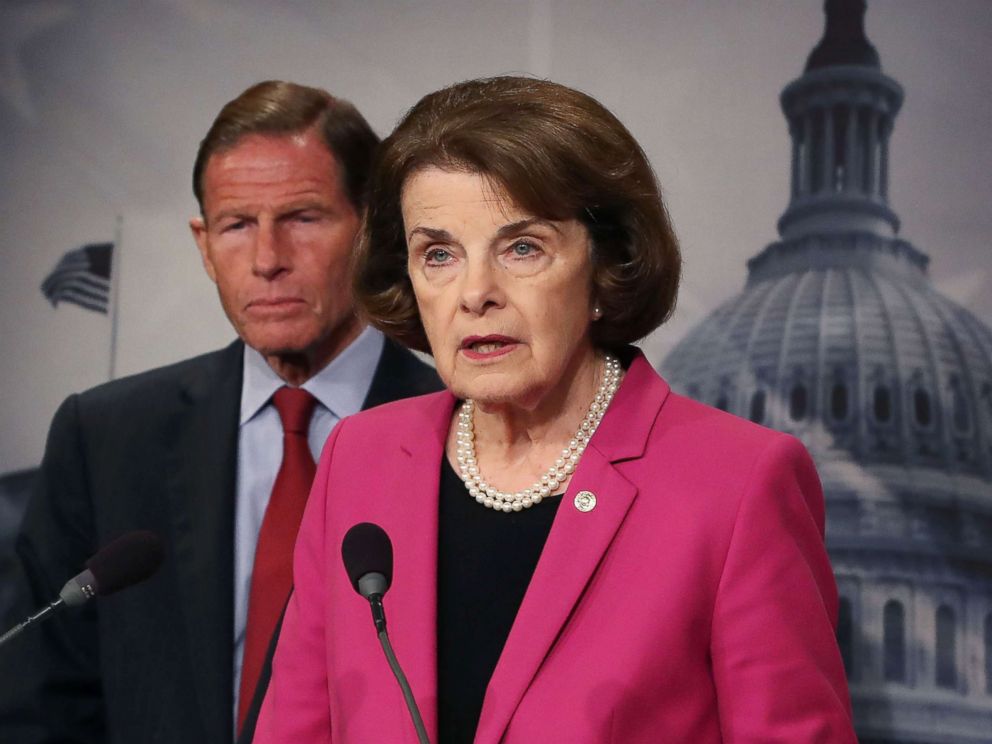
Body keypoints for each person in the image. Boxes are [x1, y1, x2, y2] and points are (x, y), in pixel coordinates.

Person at [254, 76, 856, 743]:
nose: (476, 292)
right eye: (440, 254)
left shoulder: (738, 485)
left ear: (605, 265)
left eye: (522, 248)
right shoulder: (357, 461)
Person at [0, 81, 441, 744]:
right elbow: (42, 701)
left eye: (302, 218)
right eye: (237, 226)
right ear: (204, 245)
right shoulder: (107, 437)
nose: (267, 260)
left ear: (371, 229)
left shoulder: (467, 428)